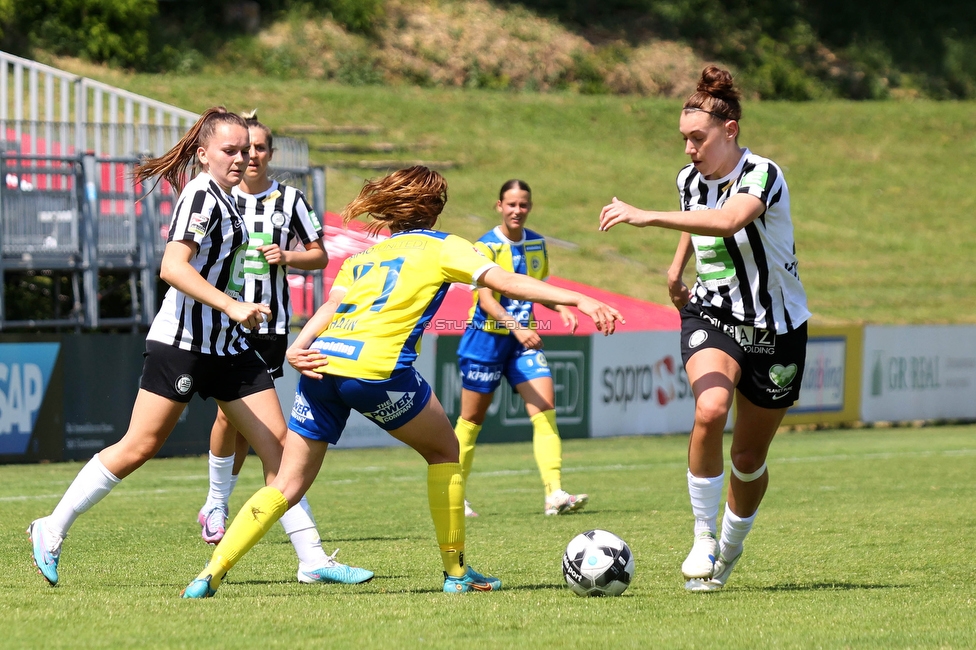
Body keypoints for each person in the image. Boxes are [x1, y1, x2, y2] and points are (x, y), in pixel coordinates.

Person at [181, 165, 624, 598]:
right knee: (444, 449)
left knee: (286, 483)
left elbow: (332, 307)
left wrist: (301, 344)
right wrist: (580, 297)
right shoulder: (443, 247)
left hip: (323, 364)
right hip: (377, 371)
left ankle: (210, 574)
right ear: (434, 210)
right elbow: (506, 281)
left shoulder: (365, 256)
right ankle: (457, 573)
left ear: (392, 212)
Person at [27, 107, 371, 588]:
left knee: (279, 449)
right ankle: (51, 527)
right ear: (204, 153)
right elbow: (173, 267)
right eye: (229, 150)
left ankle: (311, 559)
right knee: (139, 447)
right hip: (183, 344)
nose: (240, 158)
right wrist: (232, 305)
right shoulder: (201, 195)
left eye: (246, 149)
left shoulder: (230, 200)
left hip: (229, 347)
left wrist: (235, 313)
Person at [598, 66, 810, 592]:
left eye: (699, 138)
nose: (689, 148)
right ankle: (701, 535)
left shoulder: (762, 174)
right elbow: (697, 218)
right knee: (711, 408)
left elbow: (726, 221)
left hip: (774, 329)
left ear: (730, 130)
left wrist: (646, 217)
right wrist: (675, 270)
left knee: (748, 458)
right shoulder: (688, 179)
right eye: (684, 139)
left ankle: (730, 547)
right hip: (711, 312)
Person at [196, 110, 328, 547]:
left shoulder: (288, 200)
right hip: (224, 319)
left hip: (269, 324)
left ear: (270, 153)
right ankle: (218, 502)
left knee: (255, 425)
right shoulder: (220, 196)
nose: (251, 155)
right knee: (228, 414)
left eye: (259, 147)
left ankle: (235, 507)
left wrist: (288, 257)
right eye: (243, 147)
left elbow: (320, 255)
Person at [454, 180, 588, 517]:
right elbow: (485, 299)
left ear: (530, 207)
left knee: (545, 410)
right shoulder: (483, 246)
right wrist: (517, 328)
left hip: (522, 343)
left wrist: (561, 308)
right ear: (498, 205)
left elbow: (536, 289)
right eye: (511, 204)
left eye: (523, 205)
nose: (517, 211)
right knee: (471, 419)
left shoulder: (538, 245)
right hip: (486, 339)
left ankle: (554, 494)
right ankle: (454, 493)